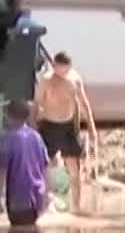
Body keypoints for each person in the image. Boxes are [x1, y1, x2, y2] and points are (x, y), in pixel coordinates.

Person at [34, 51, 97, 210]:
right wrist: (33, 125)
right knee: (43, 165)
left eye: (64, 69)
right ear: (54, 65)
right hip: (49, 124)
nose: (61, 72)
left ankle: (77, 205)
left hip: (68, 125)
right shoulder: (46, 79)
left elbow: (84, 104)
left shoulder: (74, 79)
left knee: (74, 167)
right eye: (58, 68)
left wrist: (91, 127)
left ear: (68, 67)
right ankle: (45, 203)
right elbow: (37, 103)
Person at [0, 100, 51, 226]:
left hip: (18, 200)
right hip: (38, 198)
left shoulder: (9, 139)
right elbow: (46, 168)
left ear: (8, 117)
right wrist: (47, 194)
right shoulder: (36, 137)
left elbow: (1, 171)